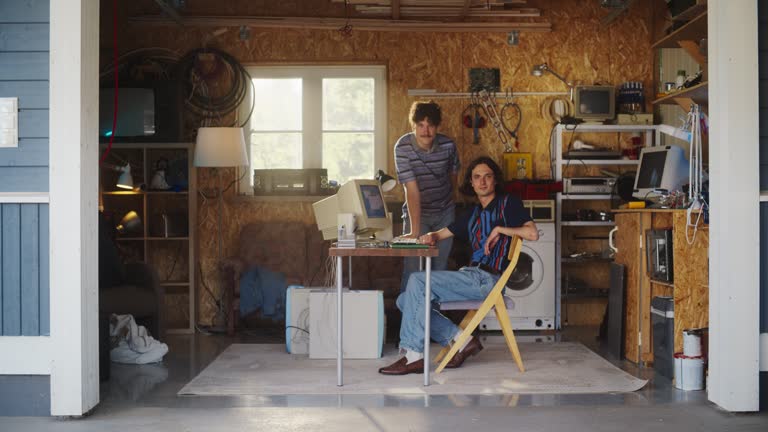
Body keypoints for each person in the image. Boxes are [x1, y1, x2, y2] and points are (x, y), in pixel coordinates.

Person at [379, 156, 539, 375]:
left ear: (495, 181)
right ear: (471, 183)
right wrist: (430, 236)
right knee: (405, 299)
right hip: (471, 275)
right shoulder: (472, 214)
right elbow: (441, 233)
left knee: (417, 279)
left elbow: (532, 233)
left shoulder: (507, 204)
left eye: (487, 177)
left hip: (488, 280)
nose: (482, 182)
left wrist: (501, 229)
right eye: (477, 177)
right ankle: (461, 340)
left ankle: (413, 356)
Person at [394, 101, 460, 293]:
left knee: (440, 269)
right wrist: (415, 232)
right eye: (421, 125)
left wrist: (449, 203)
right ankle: (409, 319)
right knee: (413, 268)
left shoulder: (448, 145)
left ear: (437, 127)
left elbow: (453, 176)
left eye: (430, 125)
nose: (426, 131)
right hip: (417, 214)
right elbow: (411, 191)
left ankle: (433, 319)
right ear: (413, 125)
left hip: (445, 212)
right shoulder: (403, 147)